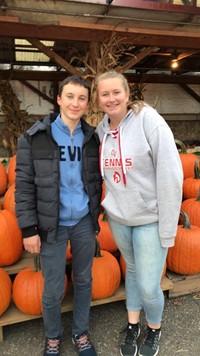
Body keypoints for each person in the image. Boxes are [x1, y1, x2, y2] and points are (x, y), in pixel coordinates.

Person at [95, 71, 183, 356]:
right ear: (98, 99)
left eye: (116, 92)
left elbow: (170, 174)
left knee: (148, 284)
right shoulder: (101, 130)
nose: (111, 98)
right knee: (131, 270)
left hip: (150, 219)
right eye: (104, 94)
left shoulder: (149, 121)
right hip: (119, 219)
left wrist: (168, 227)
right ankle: (133, 324)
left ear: (127, 93)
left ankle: (154, 328)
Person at [15, 75, 102, 356]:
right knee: (52, 288)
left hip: (83, 224)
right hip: (50, 226)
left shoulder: (91, 138)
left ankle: (80, 333)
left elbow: (98, 178)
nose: (75, 103)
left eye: (81, 98)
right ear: (58, 99)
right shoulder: (35, 138)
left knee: (85, 281)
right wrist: (28, 229)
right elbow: (24, 185)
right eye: (70, 96)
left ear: (88, 103)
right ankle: (53, 338)